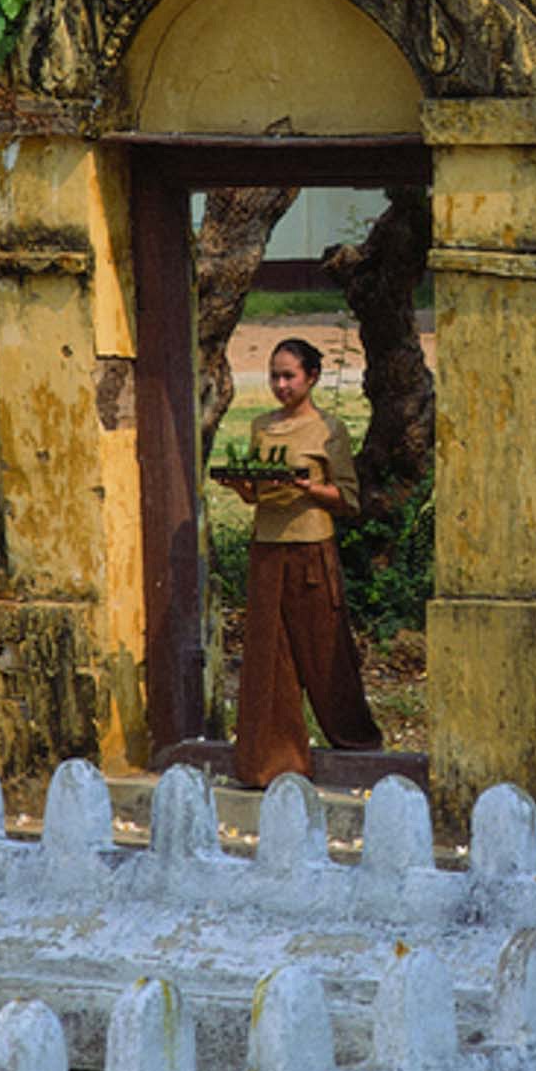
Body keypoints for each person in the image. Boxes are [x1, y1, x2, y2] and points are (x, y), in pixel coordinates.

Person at [215, 336, 383, 787]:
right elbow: (257, 495)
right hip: (267, 548)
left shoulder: (328, 429)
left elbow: (347, 499)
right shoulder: (262, 426)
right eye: (274, 376)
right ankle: (273, 761)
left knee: (325, 648)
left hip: (312, 550)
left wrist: (311, 488)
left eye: (289, 376)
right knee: (270, 658)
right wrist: (239, 485)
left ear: (311, 377)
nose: (281, 385)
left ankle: (355, 741)